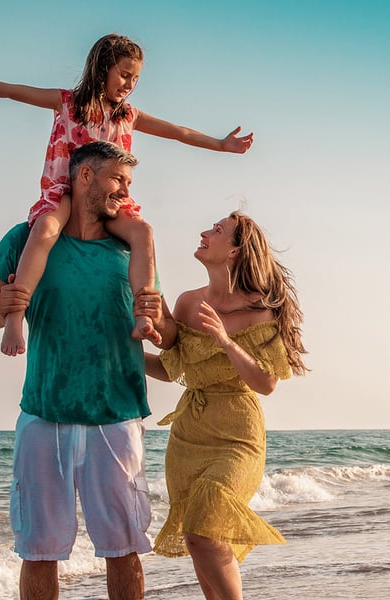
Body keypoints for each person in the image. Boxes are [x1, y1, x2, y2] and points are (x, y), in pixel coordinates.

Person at [0, 33, 254, 356]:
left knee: (143, 231)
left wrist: (221, 146)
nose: (129, 84)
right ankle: (14, 318)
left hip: (111, 201)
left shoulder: (129, 116)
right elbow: (10, 91)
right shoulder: (67, 103)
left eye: (135, 78)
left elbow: (179, 132)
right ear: (102, 70)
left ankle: (143, 316)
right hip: (67, 194)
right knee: (44, 230)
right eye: (124, 75)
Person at [0, 142, 158, 600]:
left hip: (116, 416)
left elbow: (158, 324)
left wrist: (161, 322)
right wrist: (4, 311)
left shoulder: (128, 245)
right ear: (85, 177)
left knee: (124, 548)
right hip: (43, 413)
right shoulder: (25, 238)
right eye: (118, 180)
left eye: (129, 183)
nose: (125, 192)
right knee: (38, 550)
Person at [137, 212, 307, 600]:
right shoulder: (187, 302)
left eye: (216, 231)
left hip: (237, 435)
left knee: (208, 527)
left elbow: (266, 384)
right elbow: (169, 367)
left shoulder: (261, 310)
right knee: (197, 538)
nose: (203, 232)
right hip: (189, 434)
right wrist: (122, 353)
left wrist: (226, 341)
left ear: (234, 250)